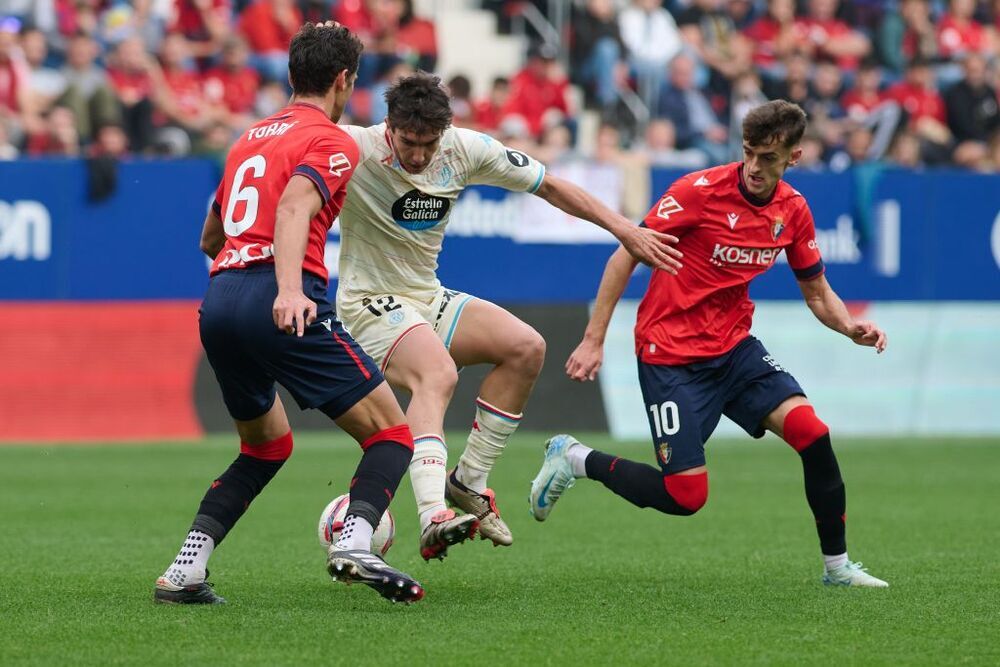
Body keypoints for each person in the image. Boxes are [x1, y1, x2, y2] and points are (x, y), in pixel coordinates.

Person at [530, 100, 891, 588]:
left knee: (813, 433)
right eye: (749, 153)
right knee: (686, 496)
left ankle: (838, 568)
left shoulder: (793, 211)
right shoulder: (697, 192)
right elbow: (625, 254)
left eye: (769, 157)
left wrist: (850, 327)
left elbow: (817, 291)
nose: (756, 167)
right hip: (670, 354)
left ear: (794, 158)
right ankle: (575, 458)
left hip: (734, 349)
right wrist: (593, 340)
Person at [335, 71, 682, 561]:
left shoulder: (466, 149)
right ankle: (433, 512)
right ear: (388, 126)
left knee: (526, 347)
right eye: (408, 142)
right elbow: (274, 159)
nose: (417, 155)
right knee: (435, 372)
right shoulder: (352, 146)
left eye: (428, 143)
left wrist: (625, 229)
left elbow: (552, 186)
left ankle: (468, 481)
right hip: (366, 302)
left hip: (424, 297)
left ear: (445, 131)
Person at [154, 23, 424, 606]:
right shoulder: (331, 140)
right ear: (344, 80)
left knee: (266, 446)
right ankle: (355, 540)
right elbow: (298, 204)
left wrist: (244, 278)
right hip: (280, 295)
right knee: (392, 434)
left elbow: (211, 233)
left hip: (221, 300)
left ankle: (185, 571)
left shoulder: (250, 137)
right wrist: (285, 290)